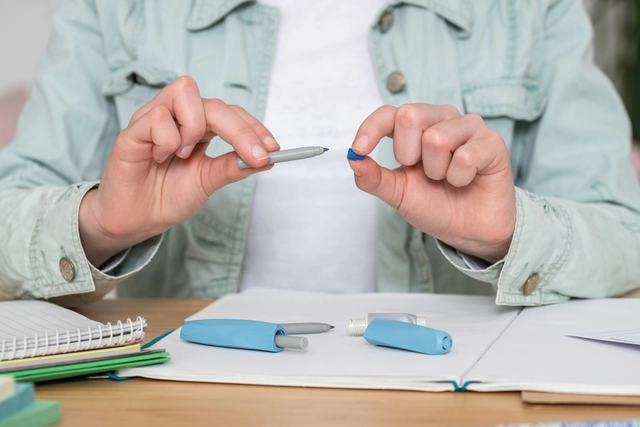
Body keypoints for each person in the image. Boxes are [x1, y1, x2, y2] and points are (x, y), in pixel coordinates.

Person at [1, 0, 639, 307]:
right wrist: (99, 224)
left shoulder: (530, 11)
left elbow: (626, 237)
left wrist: (508, 234)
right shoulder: (115, 10)